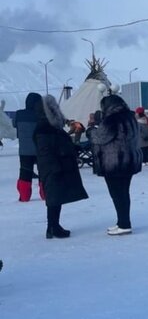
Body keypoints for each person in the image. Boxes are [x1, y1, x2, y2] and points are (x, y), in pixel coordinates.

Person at [33, 96, 88, 239]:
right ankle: (53, 227)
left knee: (56, 198)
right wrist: (56, 164)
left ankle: (53, 226)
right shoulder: (44, 129)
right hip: (53, 168)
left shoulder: (49, 127)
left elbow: (59, 144)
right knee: (53, 198)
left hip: (56, 166)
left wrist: (71, 148)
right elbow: (46, 151)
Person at [91, 94, 142, 236]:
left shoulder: (112, 119)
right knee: (124, 193)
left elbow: (99, 137)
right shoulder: (130, 117)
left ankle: (124, 224)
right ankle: (122, 222)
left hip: (114, 162)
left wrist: (92, 129)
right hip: (128, 161)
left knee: (117, 193)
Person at [13, 92, 44, 202]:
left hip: (24, 150)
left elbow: (14, 125)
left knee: (25, 173)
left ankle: (24, 196)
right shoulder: (42, 114)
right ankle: (45, 194)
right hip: (40, 148)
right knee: (43, 172)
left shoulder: (19, 114)